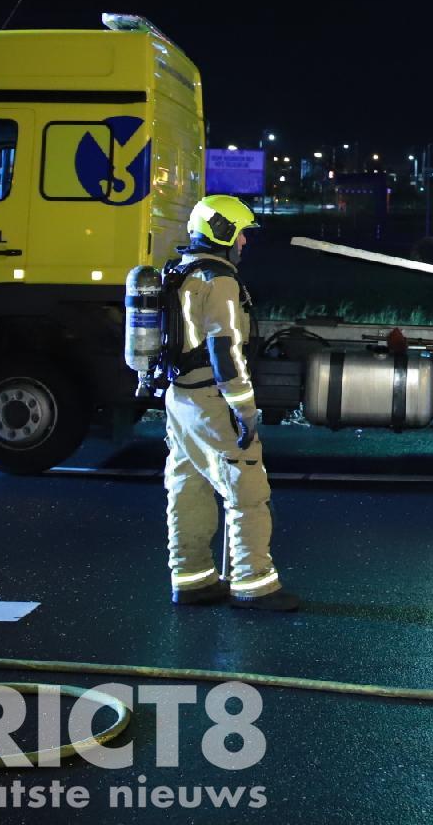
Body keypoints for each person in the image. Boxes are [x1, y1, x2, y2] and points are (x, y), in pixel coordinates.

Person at [163, 195, 299, 611]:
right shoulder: (219, 281)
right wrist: (244, 409)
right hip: (211, 399)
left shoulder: (180, 271)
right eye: (239, 233)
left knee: (188, 487)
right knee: (246, 489)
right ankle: (253, 584)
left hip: (180, 397)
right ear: (221, 232)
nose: (243, 242)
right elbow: (225, 351)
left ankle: (192, 579)